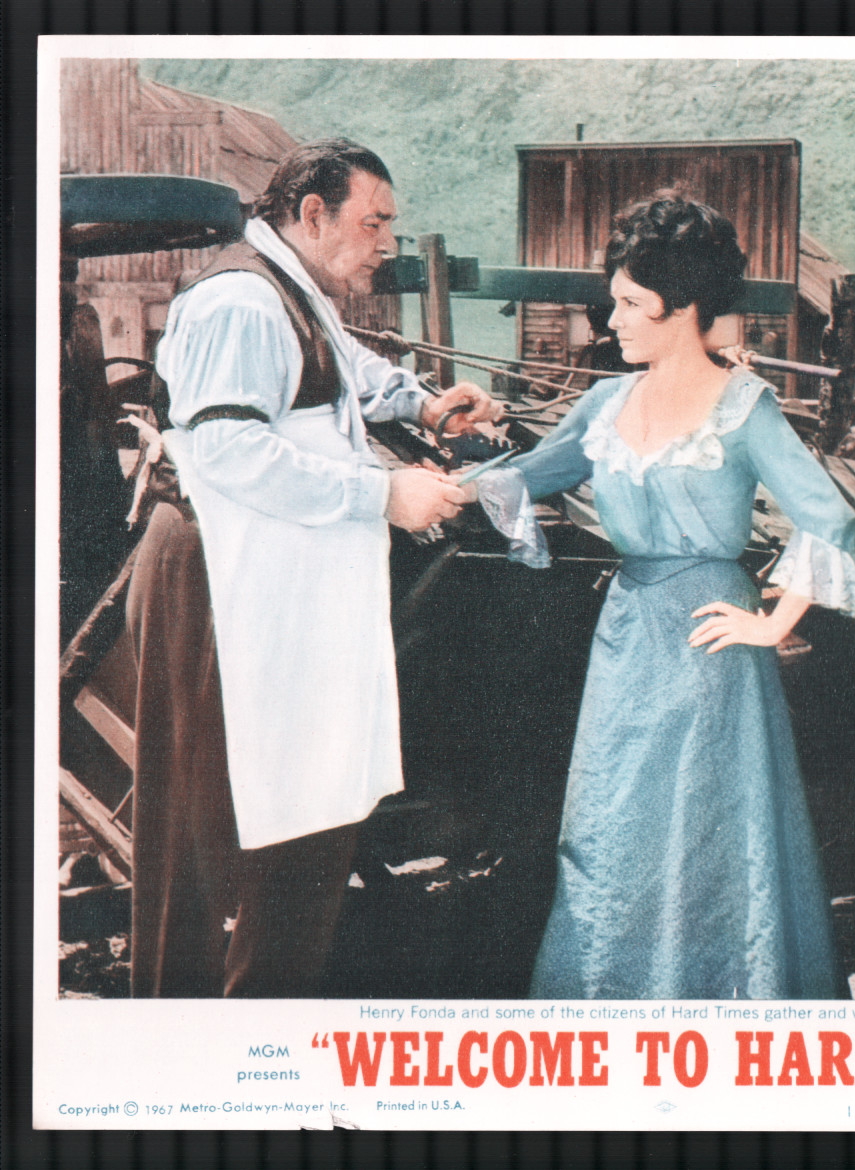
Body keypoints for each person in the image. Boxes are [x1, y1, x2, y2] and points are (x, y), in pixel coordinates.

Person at [466, 192, 855, 999]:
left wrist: (772, 622)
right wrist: (430, 484)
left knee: (703, 833)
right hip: (625, 640)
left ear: (680, 307)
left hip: (710, 643)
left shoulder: (744, 406)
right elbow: (522, 477)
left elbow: (831, 515)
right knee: (611, 829)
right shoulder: (604, 404)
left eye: (627, 303)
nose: (610, 320)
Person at [126, 138, 495, 997]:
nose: (387, 243)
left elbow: (344, 370)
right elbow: (228, 451)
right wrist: (384, 495)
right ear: (313, 213)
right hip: (216, 578)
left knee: (302, 805)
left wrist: (427, 407)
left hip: (276, 580)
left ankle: (261, 1000)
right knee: (204, 821)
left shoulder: (290, 288)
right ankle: (183, 1027)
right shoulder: (239, 302)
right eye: (374, 223)